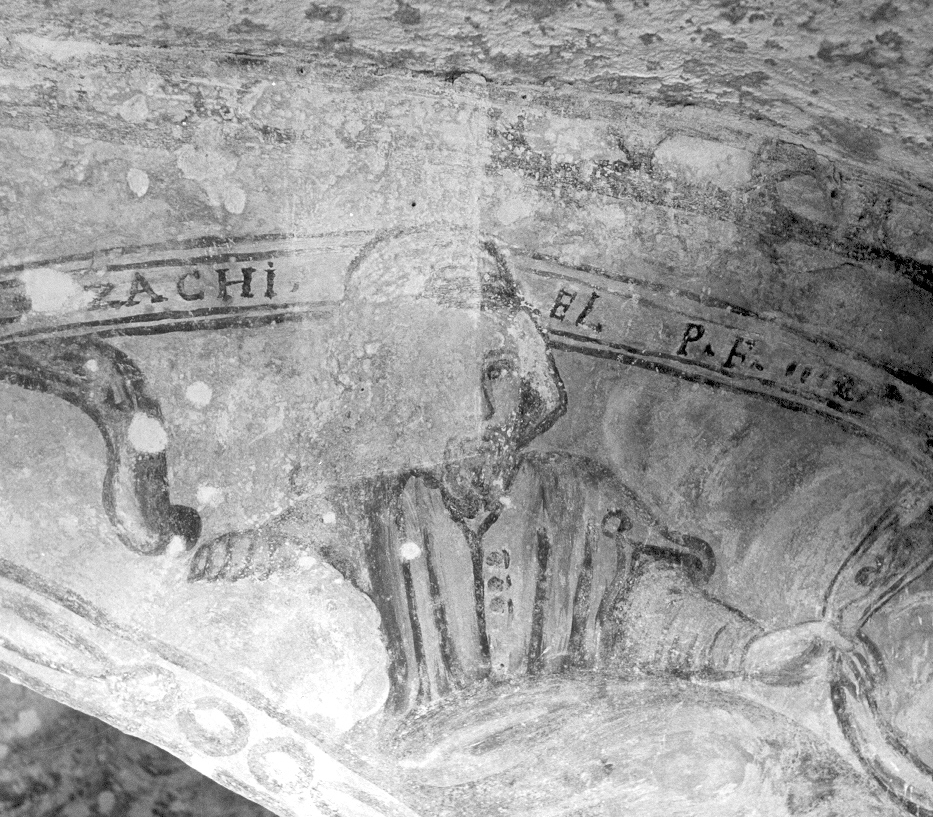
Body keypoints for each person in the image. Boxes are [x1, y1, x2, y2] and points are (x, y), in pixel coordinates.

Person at [188, 228, 846, 713]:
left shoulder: (581, 494)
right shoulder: (374, 509)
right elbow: (295, 539)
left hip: (578, 742)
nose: (483, 408)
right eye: (449, 380)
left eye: (499, 374)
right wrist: (251, 550)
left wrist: (745, 652)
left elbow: (651, 604)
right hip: (435, 754)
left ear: (528, 381)